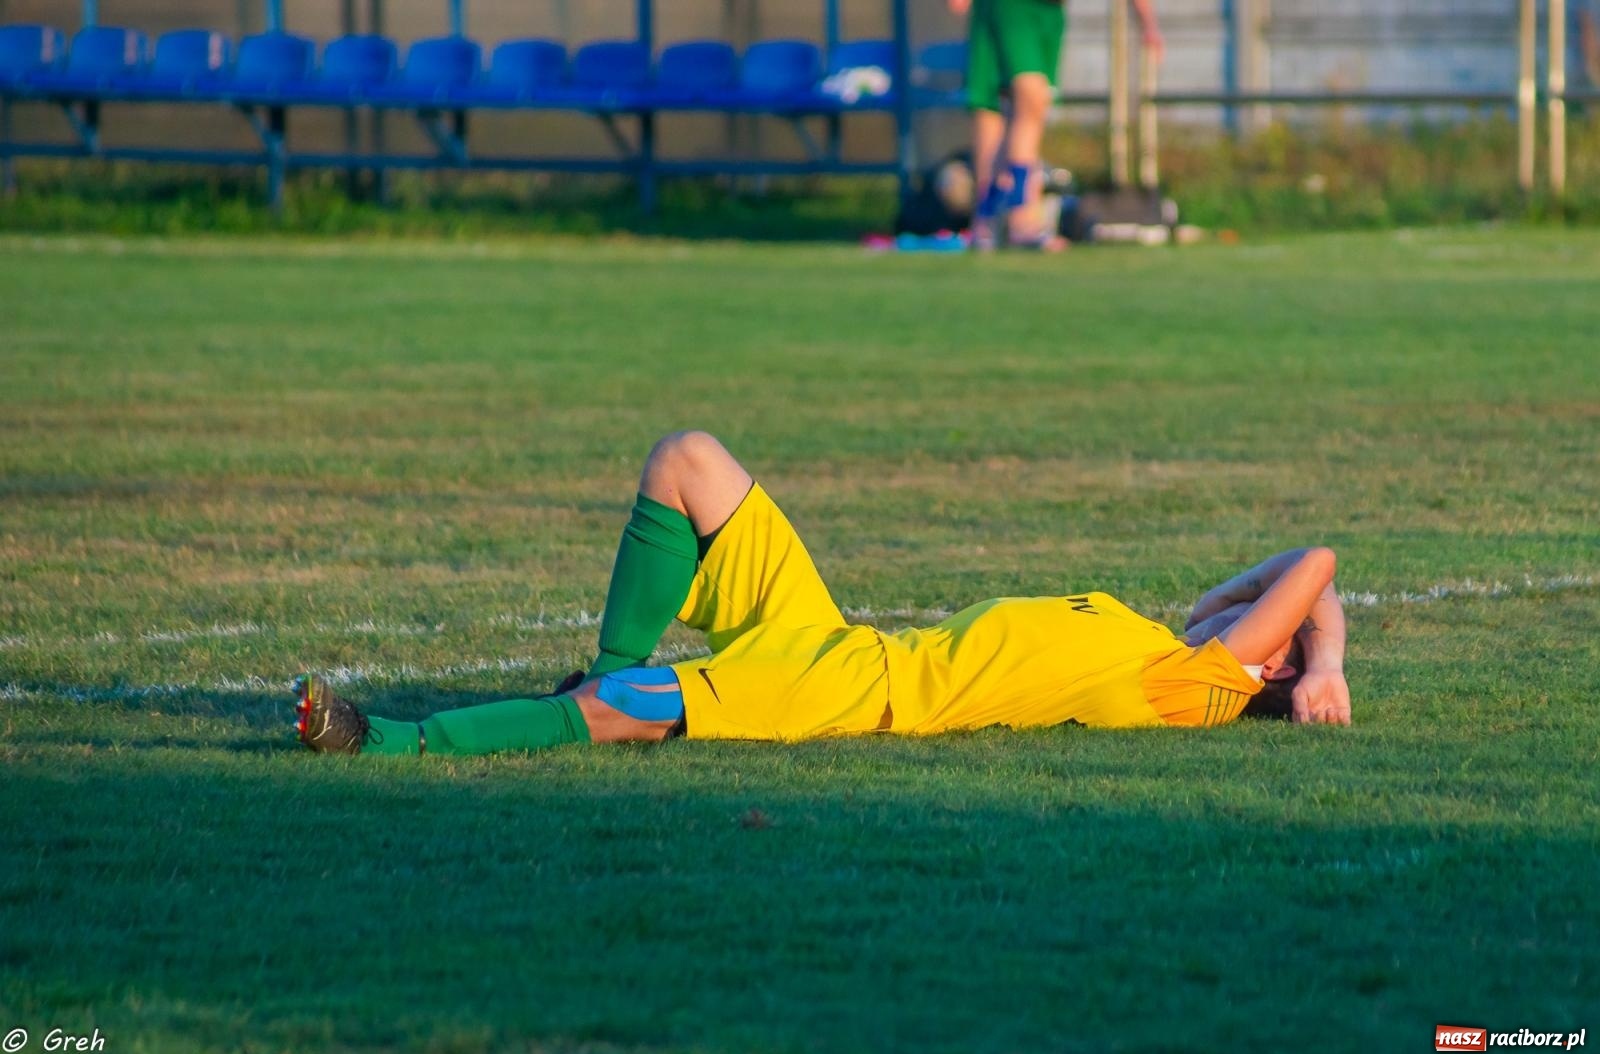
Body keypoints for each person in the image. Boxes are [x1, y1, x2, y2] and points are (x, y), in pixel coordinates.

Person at [295, 431, 1350, 757]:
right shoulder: (1161, 640)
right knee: (689, 461)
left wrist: (1323, 666)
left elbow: (1312, 562)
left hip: (853, 694)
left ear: (1261, 664)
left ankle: (390, 742)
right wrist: (1312, 656)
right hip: (838, 639)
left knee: (628, 716)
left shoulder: (1196, 688)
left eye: (1270, 636)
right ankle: (613, 661)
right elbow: (1277, 581)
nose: (1240, 609)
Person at [949, 0, 1165, 250]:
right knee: (1021, 99)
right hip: (1009, 7)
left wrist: (1147, 22)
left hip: (1050, 11)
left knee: (1018, 107)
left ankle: (990, 214)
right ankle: (1020, 216)